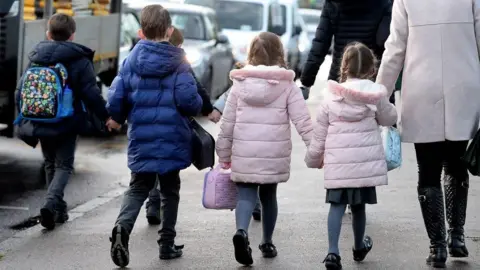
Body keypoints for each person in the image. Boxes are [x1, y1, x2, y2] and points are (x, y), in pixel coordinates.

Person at [376, 0, 480, 267]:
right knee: (457, 165)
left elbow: (395, 48)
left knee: (429, 171)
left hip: (422, 88)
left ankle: (437, 247)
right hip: (463, 87)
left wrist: (379, 95)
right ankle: (456, 237)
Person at [106, 5, 202, 267]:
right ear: (170, 31)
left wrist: (116, 117)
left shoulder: (130, 62)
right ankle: (167, 244)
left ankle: (122, 228)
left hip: (142, 137)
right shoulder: (179, 64)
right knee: (170, 190)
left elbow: (117, 96)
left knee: (138, 187)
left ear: (140, 32)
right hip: (172, 139)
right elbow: (189, 102)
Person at [216, 32, 313, 266]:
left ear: (251, 55)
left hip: (244, 151)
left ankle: (241, 231)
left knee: (246, 194)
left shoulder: (239, 85)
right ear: (280, 54)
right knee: (269, 196)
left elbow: (227, 124)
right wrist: (317, 148)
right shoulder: (287, 85)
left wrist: (223, 154)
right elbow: (303, 121)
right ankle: (267, 242)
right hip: (273, 154)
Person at [305, 42, 397, 270]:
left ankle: (332, 252)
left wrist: (314, 159)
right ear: (371, 69)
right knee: (358, 207)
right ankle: (358, 247)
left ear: (344, 67)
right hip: (364, 165)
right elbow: (389, 119)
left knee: (336, 206)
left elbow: (319, 134)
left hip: (338, 165)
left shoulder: (331, 96)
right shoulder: (375, 95)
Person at [15, 13, 109, 230]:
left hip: (40, 117)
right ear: (72, 35)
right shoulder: (78, 59)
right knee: (64, 165)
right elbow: (91, 94)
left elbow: (20, 91)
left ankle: (58, 209)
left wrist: (25, 114)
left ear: (48, 33)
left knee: (50, 163)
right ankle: (50, 204)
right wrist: (106, 117)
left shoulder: (36, 56)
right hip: (67, 120)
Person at [144, 27, 219, 225]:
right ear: (177, 45)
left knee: (151, 166)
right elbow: (195, 88)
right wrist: (207, 109)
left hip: (147, 124)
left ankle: (152, 203)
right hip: (171, 125)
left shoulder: (144, 59)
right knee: (168, 175)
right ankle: (164, 230)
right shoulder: (179, 61)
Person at [300, 0, 393, 103]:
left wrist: (306, 82)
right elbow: (384, 42)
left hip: (340, 78)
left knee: (334, 116)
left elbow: (320, 44)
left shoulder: (332, 4)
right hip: (371, 80)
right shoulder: (383, 3)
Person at [213, 61, 262, 222]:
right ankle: (257, 204)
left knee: (245, 179)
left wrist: (215, 111)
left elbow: (224, 102)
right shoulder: (263, 86)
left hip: (240, 142)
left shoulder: (235, 89)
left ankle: (250, 206)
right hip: (259, 141)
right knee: (259, 176)